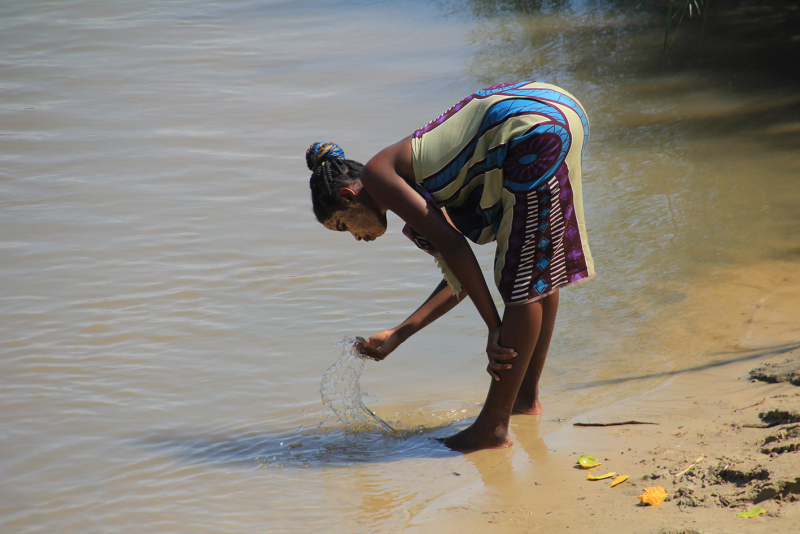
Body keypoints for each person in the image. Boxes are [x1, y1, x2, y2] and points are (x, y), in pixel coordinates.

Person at [306, 81, 594, 450]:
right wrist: (397, 335)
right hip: (555, 109)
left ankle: (492, 428)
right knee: (534, 274)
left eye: (345, 226)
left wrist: (494, 328)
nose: (357, 238)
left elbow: (456, 248)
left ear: (349, 196)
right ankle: (523, 400)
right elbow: (459, 276)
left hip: (530, 129)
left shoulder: (380, 175)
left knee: (521, 283)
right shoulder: (412, 180)